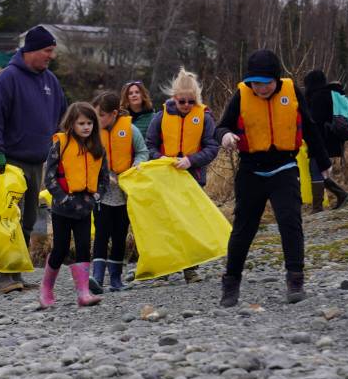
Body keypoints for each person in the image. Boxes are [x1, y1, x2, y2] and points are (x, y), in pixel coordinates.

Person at [214, 50, 331, 307]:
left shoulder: (293, 92)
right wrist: (225, 136)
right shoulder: (242, 95)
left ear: (277, 79)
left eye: (266, 82)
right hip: (251, 171)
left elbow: (310, 127)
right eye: (255, 82)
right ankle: (231, 283)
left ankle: (295, 279)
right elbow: (221, 127)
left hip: (284, 167)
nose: (261, 88)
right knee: (244, 229)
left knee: (290, 222)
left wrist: (323, 162)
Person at [0, 25, 67, 294]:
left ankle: (17, 271)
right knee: (9, 218)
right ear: (32, 50)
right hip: (10, 163)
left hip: (37, 161)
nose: (51, 56)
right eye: (48, 50)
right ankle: (4, 277)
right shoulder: (8, 78)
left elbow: (62, 120)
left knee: (28, 219)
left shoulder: (51, 82)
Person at [145, 67, 221, 283]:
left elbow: (212, 147)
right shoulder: (160, 117)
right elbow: (149, 144)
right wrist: (158, 158)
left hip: (193, 178)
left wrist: (191, 160)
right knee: (167, 224)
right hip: (165, 178)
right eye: (182, 101)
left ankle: (191, 269)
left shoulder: (205, 118)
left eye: (190, 101)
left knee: (190, 224)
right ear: (174, 99)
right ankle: (166, 268)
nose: (187, 106)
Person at [41, 102, 109, 308]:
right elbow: (50, 178)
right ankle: (46, 290)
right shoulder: (59, 145)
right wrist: (63, 198)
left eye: (90, 123)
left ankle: (83, 293)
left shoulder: (98, 148)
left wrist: (98, 195)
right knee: (60, 249)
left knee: (83, 247)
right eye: (81, 123)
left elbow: (104, 177)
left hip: (85, 206)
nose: (86, 127)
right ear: (71, 124)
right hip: (63, 206)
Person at [89, 91, 149, 294]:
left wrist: (137, 166)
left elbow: (143, 152)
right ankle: (96, 277)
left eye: (101, 115)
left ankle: (115, 278)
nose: (97, 120)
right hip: (102, 193)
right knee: (101, 234)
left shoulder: (131, 130)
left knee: (120, 235)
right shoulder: (93, 134)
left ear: (114, 114)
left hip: (124, 194)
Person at [303, 69, 348, 212]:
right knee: (319, 169)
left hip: (320, 139)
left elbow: (315, 122)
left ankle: (318, 207)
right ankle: (342, 195)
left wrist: (311, 139)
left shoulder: (318, 97)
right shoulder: (330, 94)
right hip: (330, 138)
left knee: (315, 169)